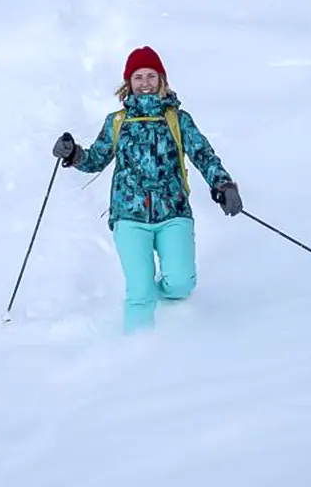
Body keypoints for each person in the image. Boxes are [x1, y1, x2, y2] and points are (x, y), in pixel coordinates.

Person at [52, 46, 243, 334]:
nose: (145, 83)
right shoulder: (117, 122)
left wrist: (223, 185)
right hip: (129, 216)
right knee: (140, 294)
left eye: (151, 76)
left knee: (180, 283)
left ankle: (167, 302)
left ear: (161, 80)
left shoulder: (178, 120)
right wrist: (73, 154)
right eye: (138, 77)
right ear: (128, 82)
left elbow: (203, 154)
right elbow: (96, 159)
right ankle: (137, 364)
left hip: (174, 211)